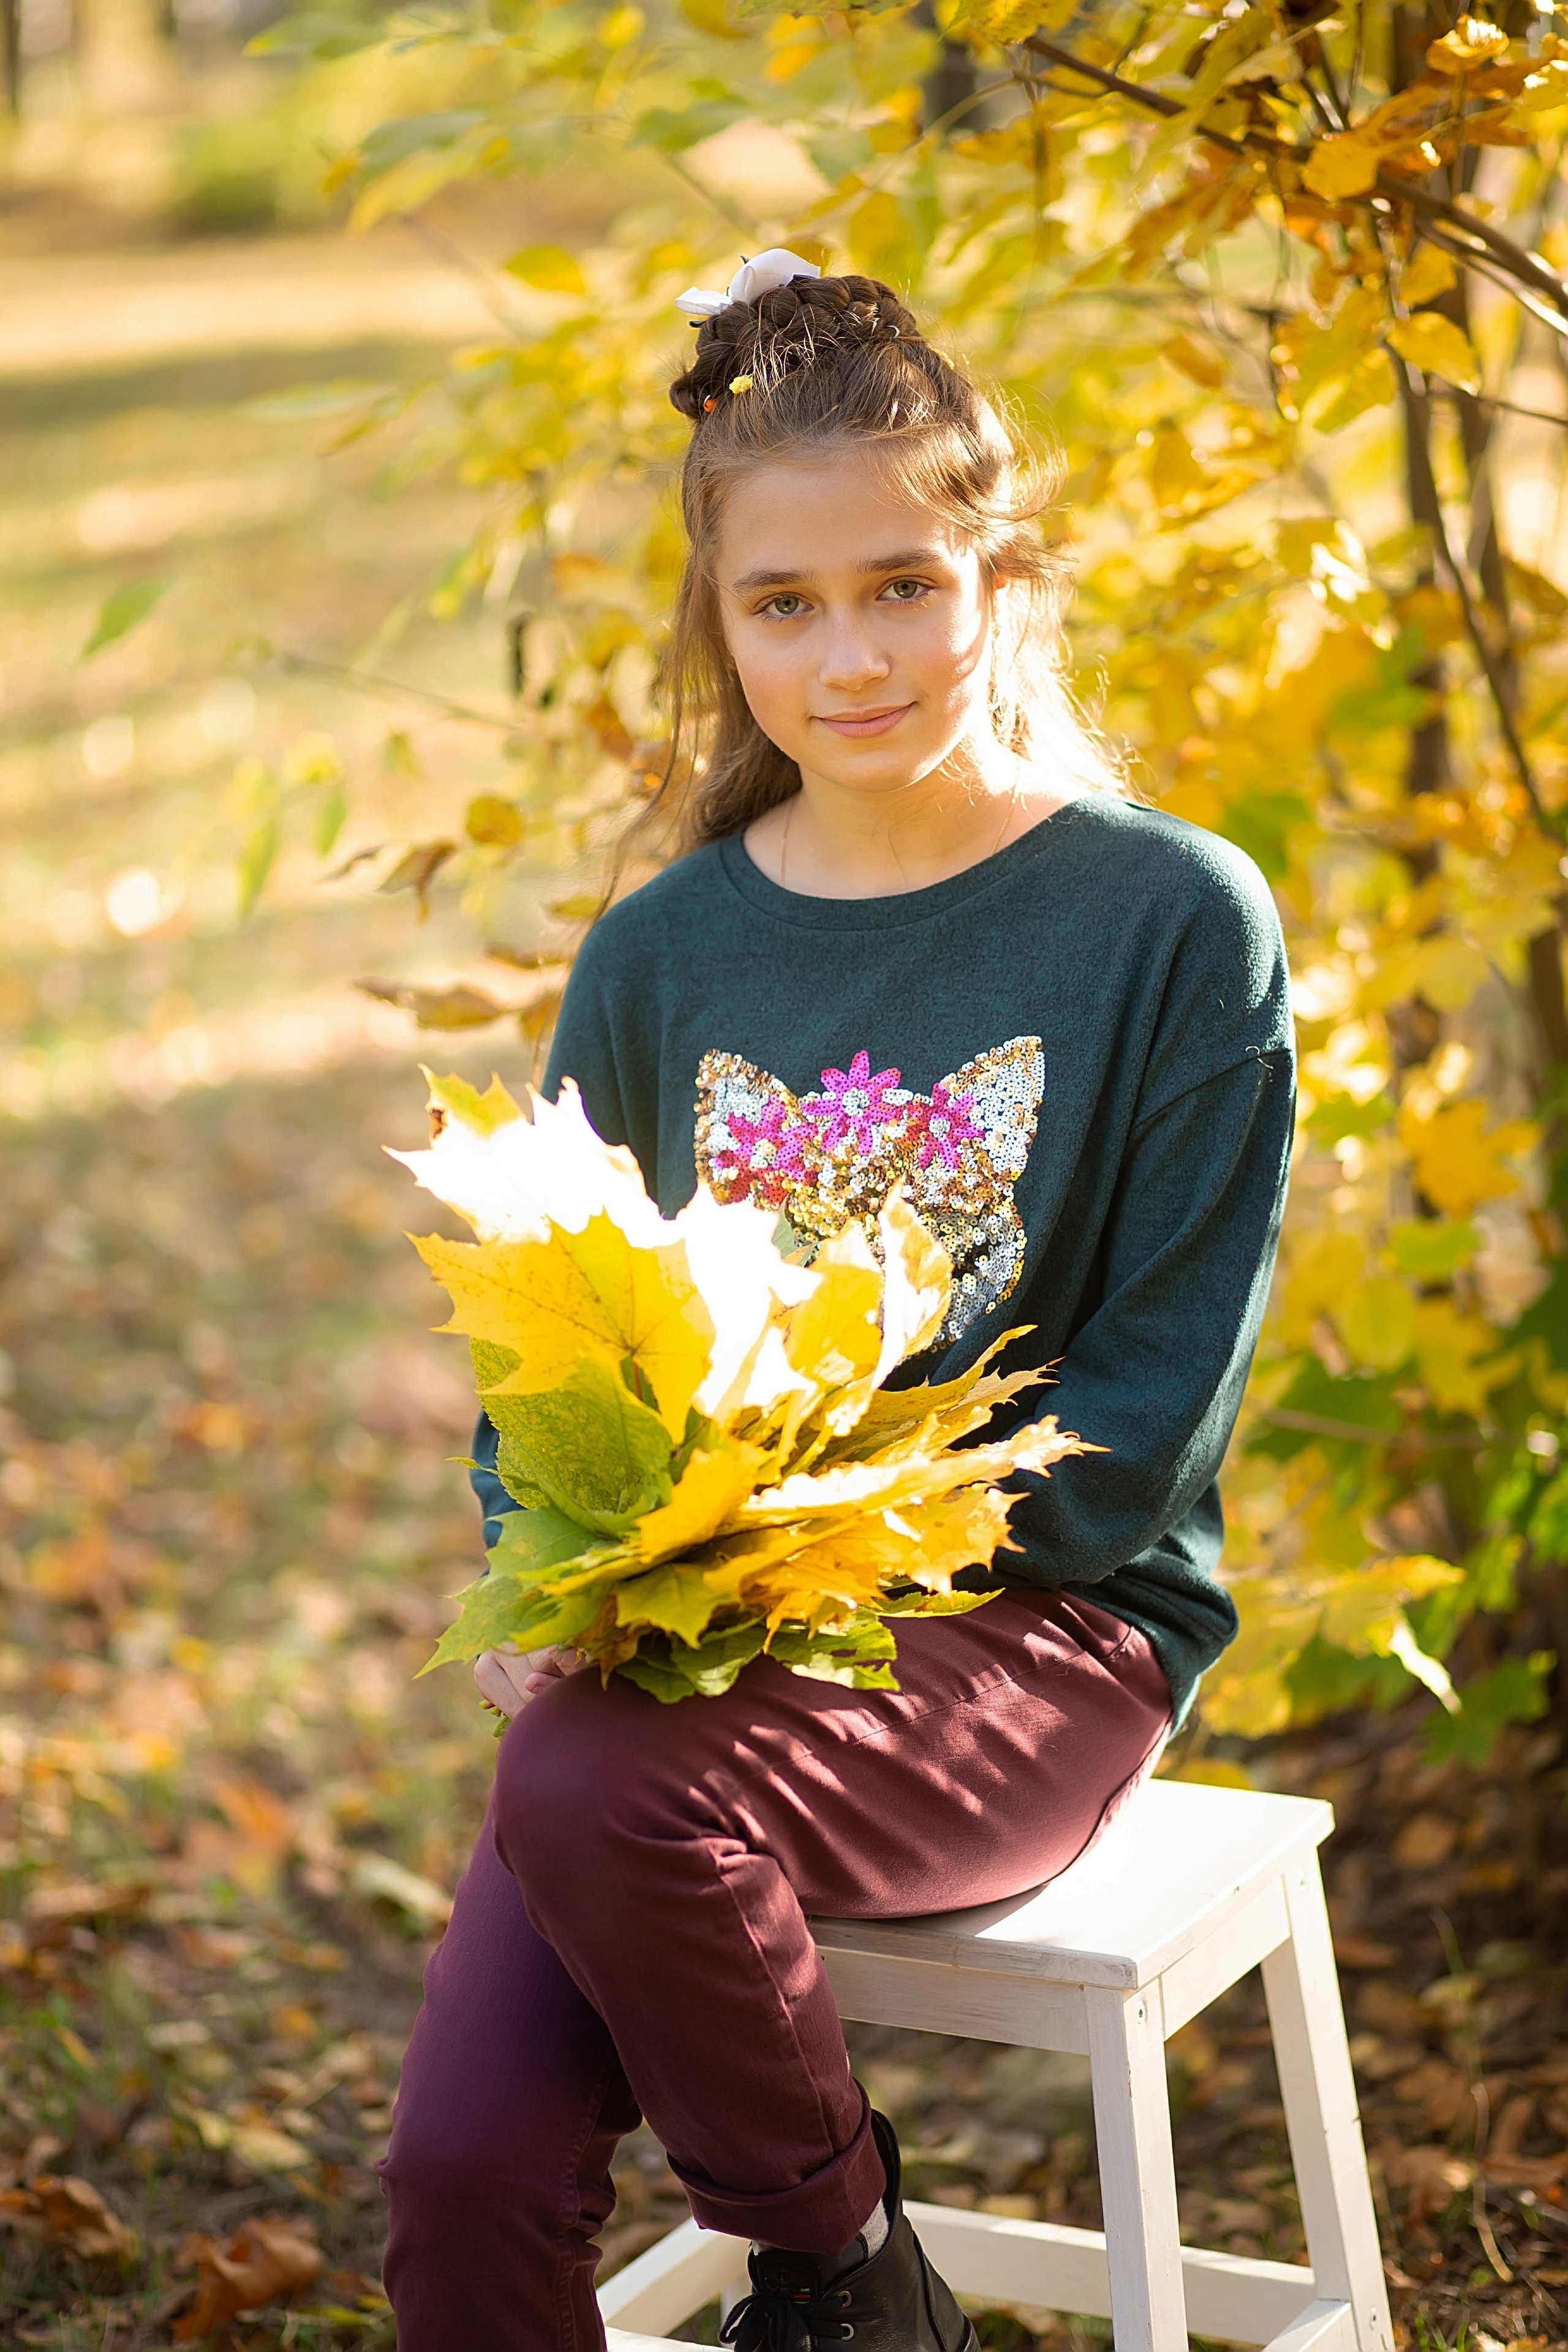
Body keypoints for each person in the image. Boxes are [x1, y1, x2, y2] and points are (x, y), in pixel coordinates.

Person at [379, 251, 1295, 2352]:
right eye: (783, 605)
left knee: (605, 1793)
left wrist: (776, 1582)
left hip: (1039, 1632)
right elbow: (551, 1352)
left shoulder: (1168, 924)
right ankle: (855, 2266)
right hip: (681, 1649)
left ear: (1002, 578)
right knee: (460, 2185)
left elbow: (1138, 1432)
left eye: (903, 583)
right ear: (721, 625)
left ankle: (830, 2262)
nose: (851, 654)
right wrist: (552, 1569)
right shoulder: (660, 958)